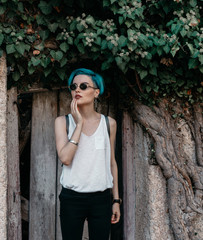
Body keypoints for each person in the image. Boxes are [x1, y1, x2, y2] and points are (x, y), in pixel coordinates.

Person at [55, 68, 121, 240]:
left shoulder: (109, 124)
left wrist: (116, 200)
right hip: (72, 199)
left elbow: (112, 163)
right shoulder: (62, 122)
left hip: (101, 199)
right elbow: (65, 158)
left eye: (84, 86)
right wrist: (79, 125)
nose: (77, 90)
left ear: (96, 92)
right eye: (73, 86)